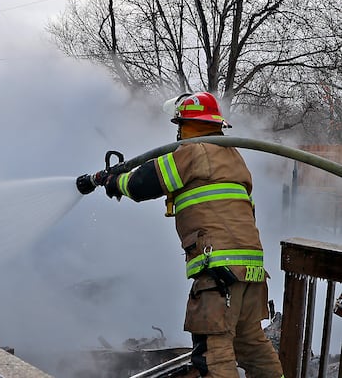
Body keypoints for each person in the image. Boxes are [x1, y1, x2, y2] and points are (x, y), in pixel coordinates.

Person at [77, 92, 283, 377]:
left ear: (187, 125)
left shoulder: (193, 152)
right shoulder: (233, 158)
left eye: (180, 125)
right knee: (251, 345)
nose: (178, 132)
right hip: (252, 271)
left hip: (219, 271)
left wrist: (113, 181)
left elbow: (142, 183)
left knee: (214, 355)